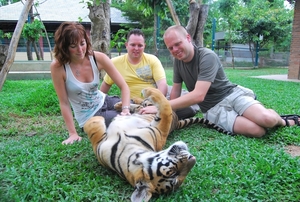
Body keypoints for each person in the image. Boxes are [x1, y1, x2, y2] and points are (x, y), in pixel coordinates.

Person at [140, 25, 300, 137]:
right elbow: (175, 90)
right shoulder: (178, 62)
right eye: (170, 48)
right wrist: (167, 113)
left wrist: (161, 106)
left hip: (232, 95)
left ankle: (285, 121)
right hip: (213, 109)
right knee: (258, 131)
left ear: (188, 38)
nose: (175, 50)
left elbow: (198, 96)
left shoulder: (206, 56)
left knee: (268, 120)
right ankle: (261, 115)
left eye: (177, 44)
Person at [50, 22, 131, 145]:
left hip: (104, 100)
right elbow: (64, 102)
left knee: (138, 110)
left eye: (82, 43)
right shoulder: (59, 67)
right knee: (127, 123)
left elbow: (123, 86)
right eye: (73, 46)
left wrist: (125, 110)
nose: (80, 50)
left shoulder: (97, 58)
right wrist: (73, 133)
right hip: (90, 117)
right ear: (64, 47)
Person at [100, 28, 199, 119]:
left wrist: (156, 103)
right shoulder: (115, 63)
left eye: (140, 45)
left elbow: (162, 85)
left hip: (158, 97)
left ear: (144, 46)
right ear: (126, 45)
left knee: (187, 108)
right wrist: (98, 102)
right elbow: (105, 86)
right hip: (133, 103)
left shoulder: (152, 59)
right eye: (133, 45)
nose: (136, 48)